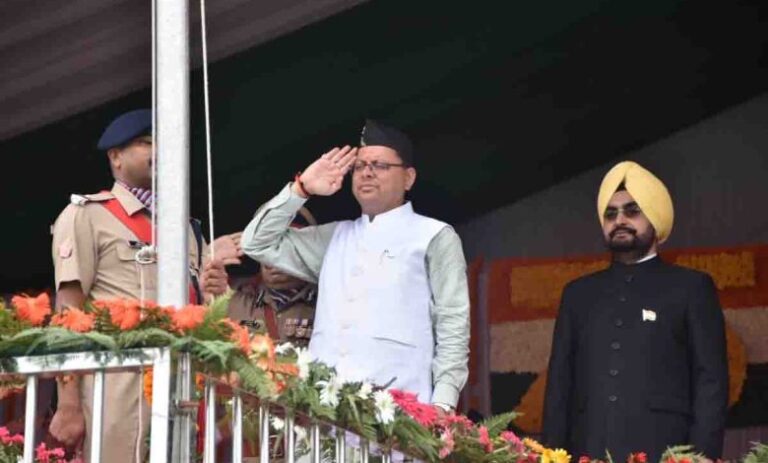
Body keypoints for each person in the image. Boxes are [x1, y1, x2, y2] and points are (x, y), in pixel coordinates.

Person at [242, 119, 470, 412]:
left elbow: (453, 323)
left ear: (409, 178)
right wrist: (301, 189)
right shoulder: (335, 236)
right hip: (325, 415)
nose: (367, 173)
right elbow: (256, 243)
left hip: (401, 416)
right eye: (359, 166)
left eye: (380, 165)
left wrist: (444, 402)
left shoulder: (434, 236)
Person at [48, 109, 231, 462]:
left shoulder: (187, 228)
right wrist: (68, 403)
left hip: (182, 385)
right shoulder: (86, 214)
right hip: (117, 388)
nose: (160, 151)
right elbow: (68, 311)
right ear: (115, 157)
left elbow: (209, 313)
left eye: (166, 143)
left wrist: (218, 292)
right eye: (147, 143)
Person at [542, 161, 728, 462]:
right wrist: (551, 455)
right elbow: (559, 387)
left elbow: (711, 383)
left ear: (655, 218)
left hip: (664, 449)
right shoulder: (578, 294)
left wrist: (700, 458)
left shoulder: (691, 288)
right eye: (611, 213)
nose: (620, 221)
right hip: (588, 447)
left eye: (632, 211)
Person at [228, 207, 318, 347]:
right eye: (264, 246)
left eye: (281, 245)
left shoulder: (327, 302)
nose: (270, 255)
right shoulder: (232, 297)